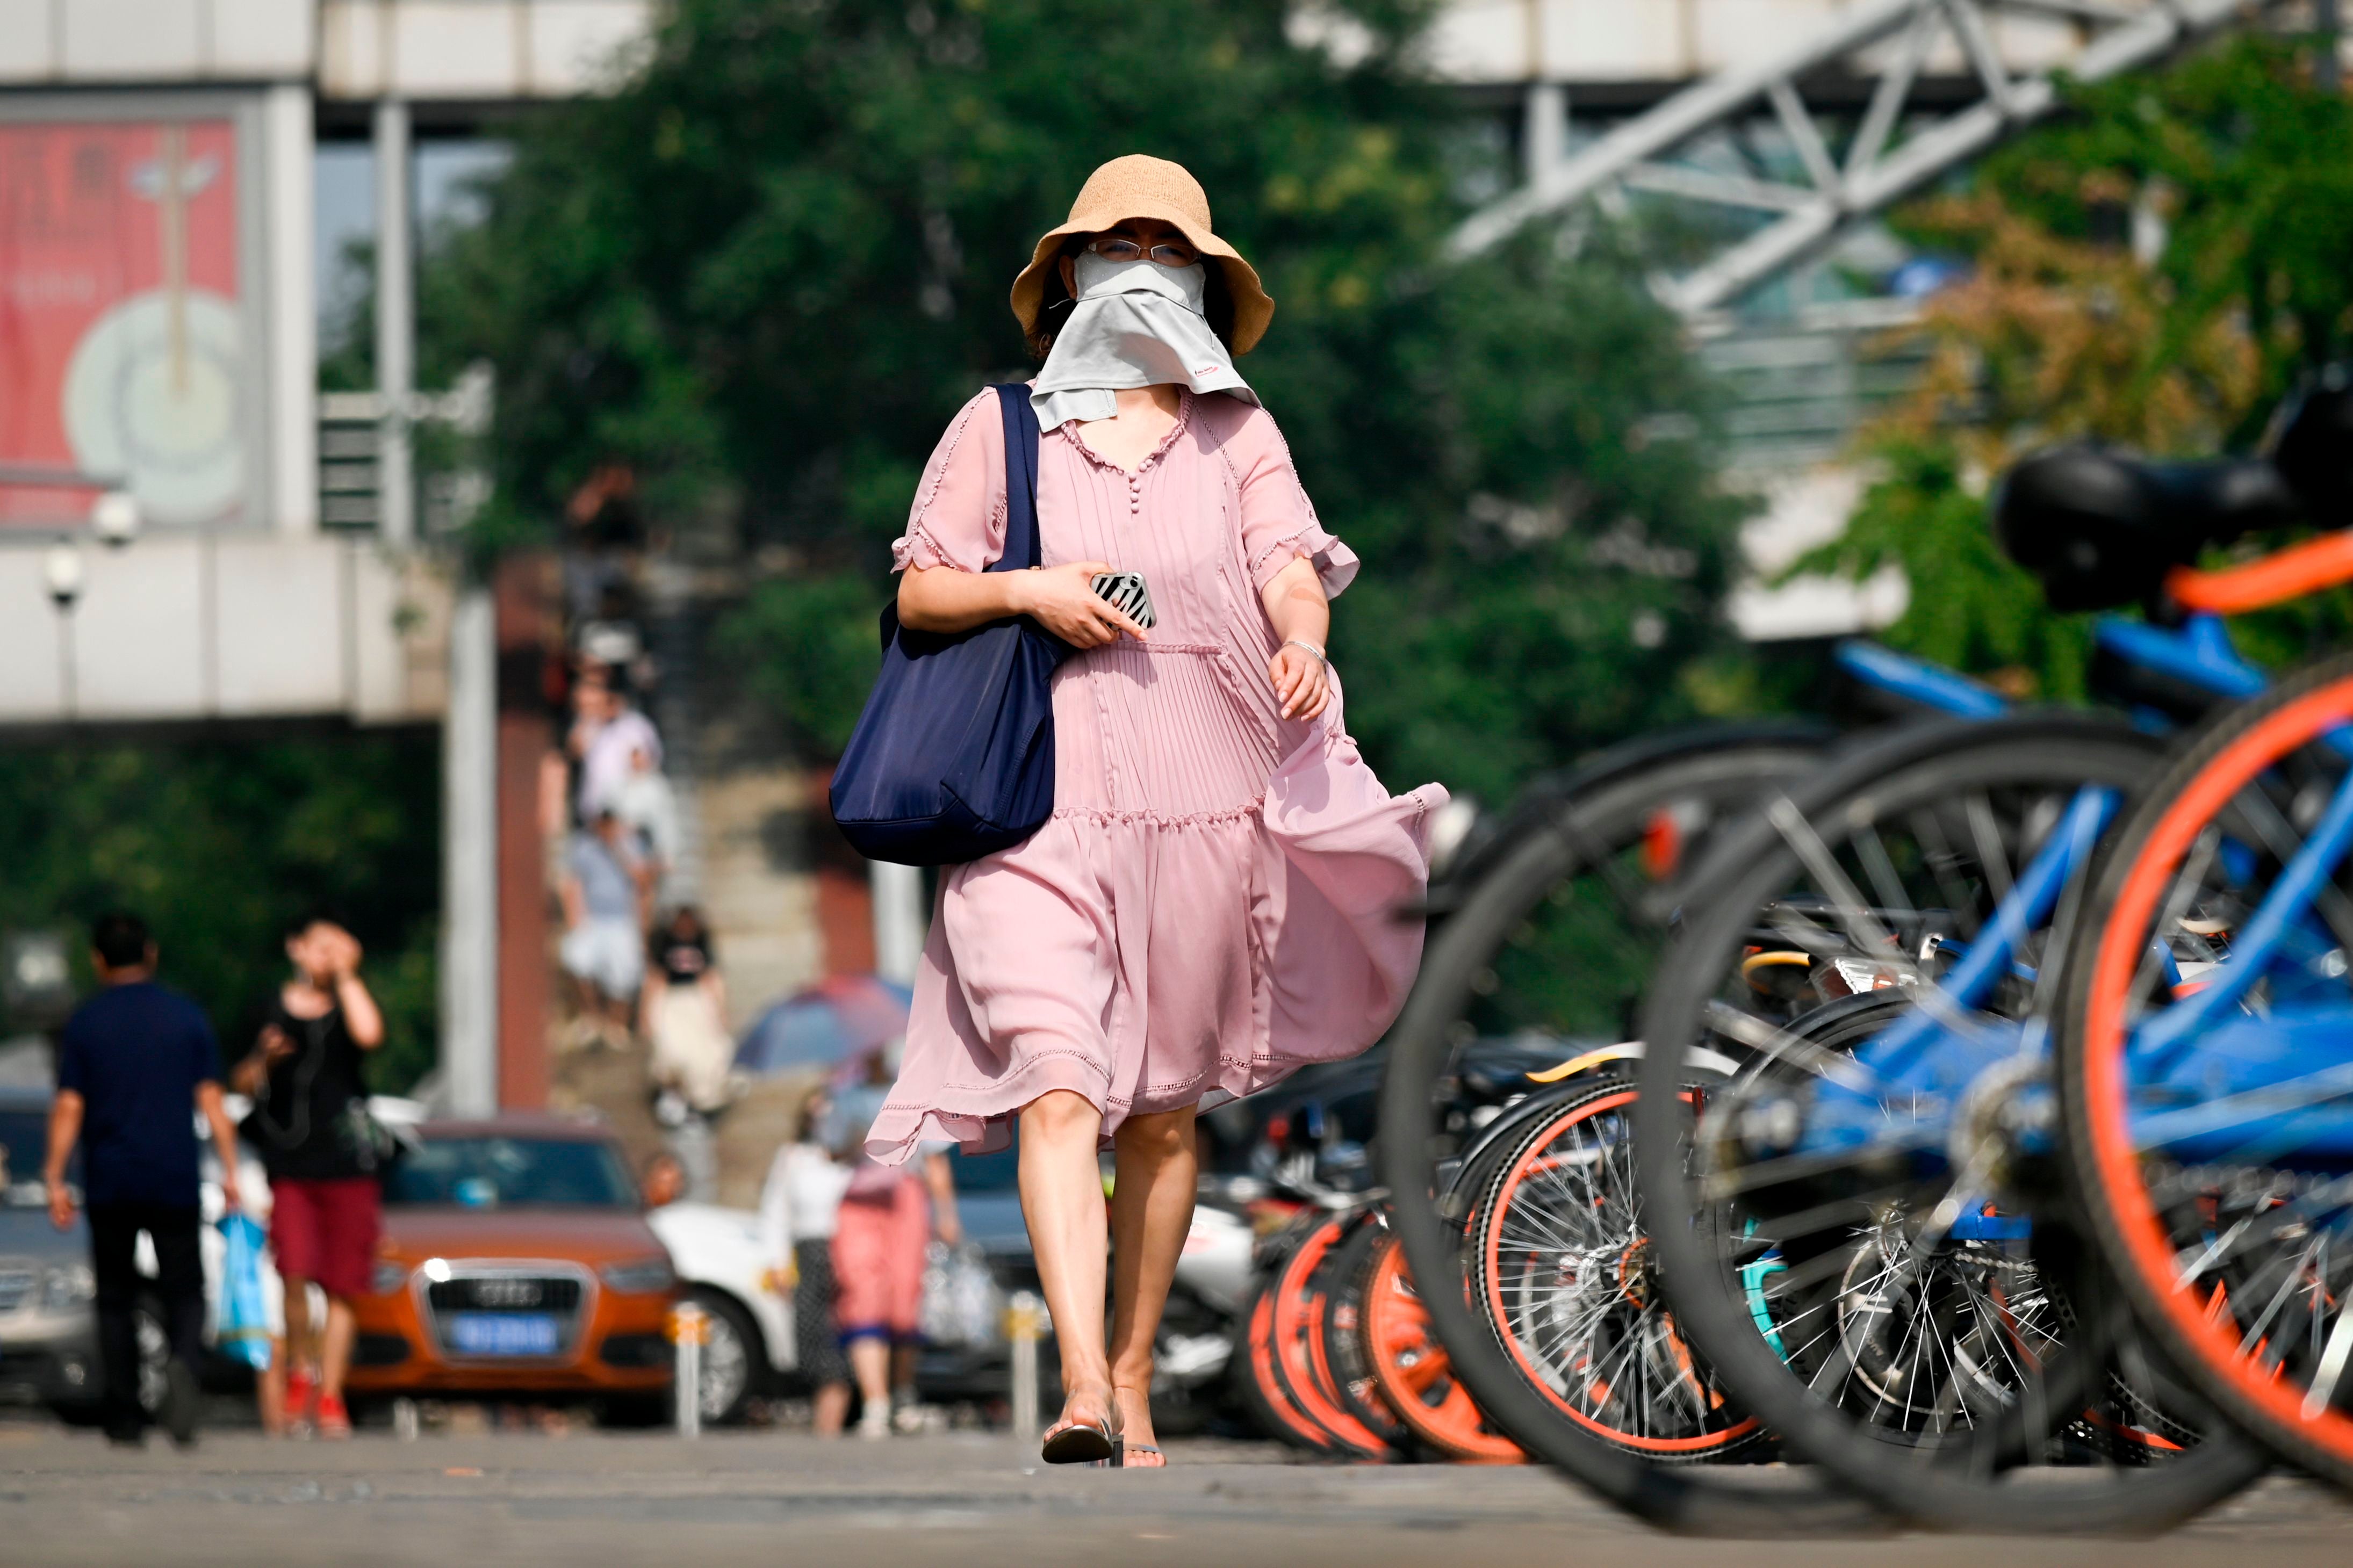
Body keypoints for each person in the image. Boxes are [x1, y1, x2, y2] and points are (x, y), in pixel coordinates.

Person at [865, 156, 1444, 1466]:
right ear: (1065, 270)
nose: (1136, 263)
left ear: (1200, 276)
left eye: (1161, 245)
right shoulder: (999, 426)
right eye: (1109, 243)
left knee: (1163, 1115)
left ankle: (1132, 1371)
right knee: (1058, 1086)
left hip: (1203, 811)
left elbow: (1290, 567)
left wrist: (1302, 636)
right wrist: (1034, 590)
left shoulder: (1238, 431)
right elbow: (920, 593)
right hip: (1033, 813)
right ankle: (1077, 1385)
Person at [43, 911, 244, 1447]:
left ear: (98, 960)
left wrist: (54, 1176)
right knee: (185, 1289)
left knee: (115, 1296)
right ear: (150, 954)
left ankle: (126, 1414)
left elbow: (69, 1104)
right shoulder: (185, 1018)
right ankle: (183, 1363)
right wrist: (229, 1170)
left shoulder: (85, 1023)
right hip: (173, 1174)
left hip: (111, 1178)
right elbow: (211, 1100)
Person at [229, 913, 386, 1440]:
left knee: (344, 1285)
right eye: (319, 947)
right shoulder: (269, 1009)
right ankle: (301, 1369)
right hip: (290, 1163)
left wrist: (347, 976)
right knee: (294, 1271)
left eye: (336, 947)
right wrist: (263, 1059)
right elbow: (241, 1082)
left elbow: (371, 1034)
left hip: (348, 1163)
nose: (326, 955)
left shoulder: (347, 1004)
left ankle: (331, 1395)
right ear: (296, 948)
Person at [833, 1046, 961, 1438]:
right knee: (862, 1292)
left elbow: (934, 1161)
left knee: (905, 1293)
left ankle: (902, 1391)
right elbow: (831, 1151)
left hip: (905, 1194)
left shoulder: (912, 1092)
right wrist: (850, 1142)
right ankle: (876, 1400)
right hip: (861, 1198)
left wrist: (946, 1212)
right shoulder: (845, 1098)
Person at [757, 1086, 854, 1437]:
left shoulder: (855, 1155)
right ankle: (827, 1417)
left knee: (846, 1332)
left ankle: (831, 1420)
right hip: (809, 1252)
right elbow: (774, 1211)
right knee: (811, 1335)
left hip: (848, 1252)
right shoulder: (792, 1156)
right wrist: (777, 1261)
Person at [642, 907, 737, 1198]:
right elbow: (656, 978)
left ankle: (700, 1104)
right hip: (672, 1004)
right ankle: (678, 1103)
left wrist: (720, 1014)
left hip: (696, 1003)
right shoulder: (664, 947)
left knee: (709, 1056)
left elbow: (710, 977)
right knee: (675, 1054)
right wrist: (647, 1016)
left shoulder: (703, 948)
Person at [559, 811, 645, 1044]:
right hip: (593, 919)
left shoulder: (629, 846)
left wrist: (619, 851)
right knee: (575, 959)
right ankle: (592, 1018)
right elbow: (572, 882)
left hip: (622, 920)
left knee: (624, 974)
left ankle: (617, 1025)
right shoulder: (584, 848)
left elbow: (643, 881)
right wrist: (575, 918)